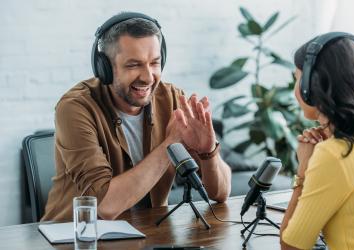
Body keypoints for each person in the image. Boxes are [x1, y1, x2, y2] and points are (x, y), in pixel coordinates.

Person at [41, 12, 231, 222]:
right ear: (105, 68)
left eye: (154, 63)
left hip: (149, 235)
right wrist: (171, 144)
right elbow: (105, 206)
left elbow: (220, 194)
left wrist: (208, 153)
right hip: (77, 237)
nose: (148, 77)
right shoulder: (75, 108)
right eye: (133, 65)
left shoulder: (173, 100)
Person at [280, 32, 354, 249]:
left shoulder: (335, 154)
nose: (295, 89)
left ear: (310, 87)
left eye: (297, 79)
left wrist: (304, 170)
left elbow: (291, 246)